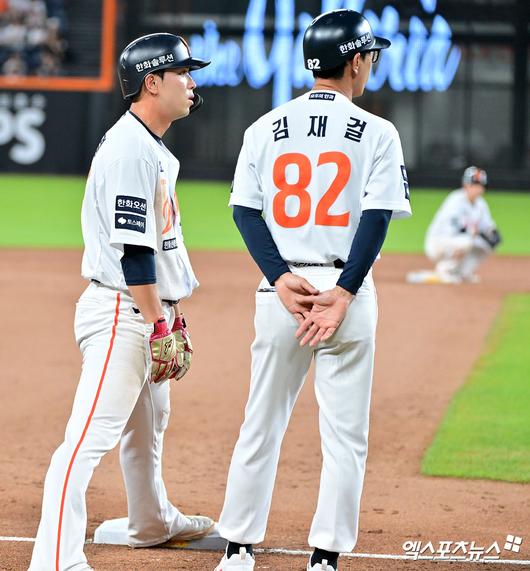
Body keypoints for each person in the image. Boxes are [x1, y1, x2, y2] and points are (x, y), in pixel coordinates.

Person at [214, 9, 411, 571]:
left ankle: (238, 548)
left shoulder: (264, 127)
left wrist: (279, 277)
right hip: (345, 291)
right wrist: (344, 292)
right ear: (356, 61)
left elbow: (244, 211)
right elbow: (376, 218)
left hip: (284, 291)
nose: (371, 65)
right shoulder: (378, 131)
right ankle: (324, 557)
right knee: (346, 435)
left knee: (261, 421)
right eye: (371, 56)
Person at [28, 33, 214, 571]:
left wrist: (168, 311)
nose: (191, 82)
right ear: (152, 82)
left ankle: (150, 522)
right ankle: (55, 560)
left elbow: (159, 245)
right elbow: (134, 251)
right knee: (87, 439)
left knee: (147, 425)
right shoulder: (130, 148)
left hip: (141, 309)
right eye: (183, 73)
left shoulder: (148, 145)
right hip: (122, 314)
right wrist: (159, 323)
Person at [424, 166, 501, 283]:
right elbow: (452, 229)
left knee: (485, 245)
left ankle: (464, 272)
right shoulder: (455, 200)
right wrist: (475, 232)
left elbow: (489, 227)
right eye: (474, 184)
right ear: (465, 184)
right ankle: (444, 269)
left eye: (481, 185)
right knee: (466, 241)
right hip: (438, 242)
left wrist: (493, 236)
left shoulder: (481, 204)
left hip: (456, 241)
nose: (478, 188)